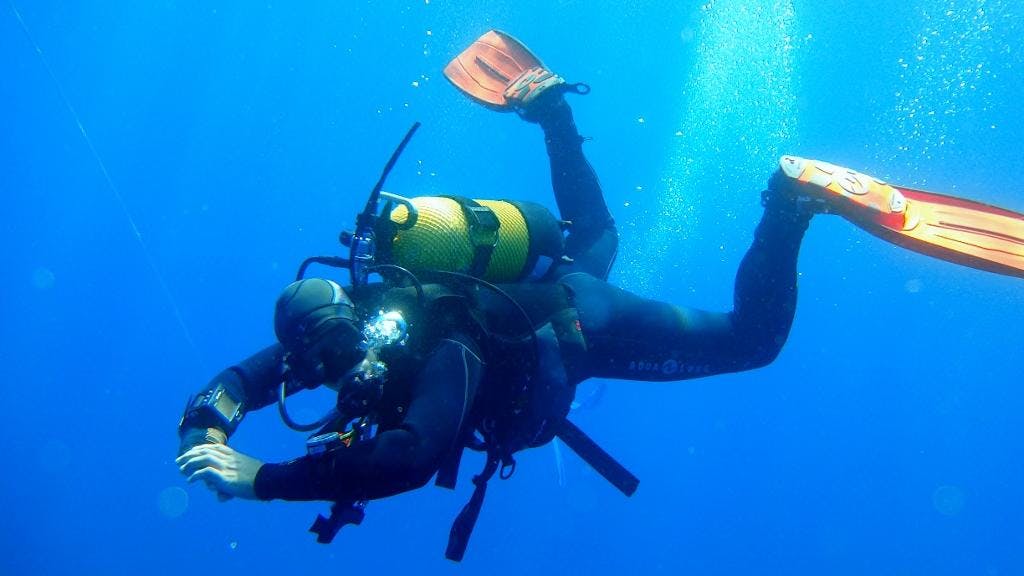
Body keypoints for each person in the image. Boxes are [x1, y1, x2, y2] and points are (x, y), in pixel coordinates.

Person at [176, 30, 1024, 561]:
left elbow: (412, 458)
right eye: (315, 365)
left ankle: (789, 205)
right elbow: (241, 380)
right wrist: (206, 422)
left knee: (749, 343)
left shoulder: (445, 350)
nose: (329, 375)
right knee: (599, 243)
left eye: (322, 366)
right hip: (563, 292)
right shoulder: (355, 319)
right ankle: (551, 116)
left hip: (577, 326)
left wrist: (263, 477)